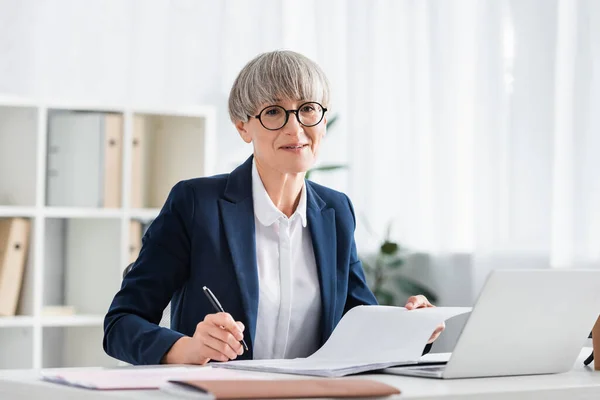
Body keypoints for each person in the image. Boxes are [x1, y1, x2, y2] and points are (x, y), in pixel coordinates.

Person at [103, 50, 444, 366]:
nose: (295, 128)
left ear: (323, 119)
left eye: (308, 108)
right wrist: (186, 348)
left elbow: (358, 323)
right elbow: (121, 324)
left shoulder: (335, 211)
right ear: (242, 127)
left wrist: (412, 328)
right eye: (274, 112)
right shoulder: (196, 204)